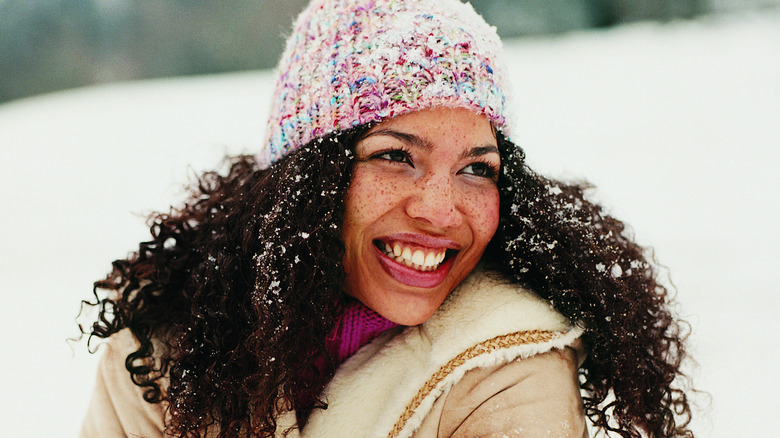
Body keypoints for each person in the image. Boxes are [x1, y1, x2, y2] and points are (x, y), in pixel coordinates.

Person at [78, 0, 694, 437]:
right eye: (395, 156)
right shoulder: (166, 346)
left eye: (477, 168)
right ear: (305, 181)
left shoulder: (509, 363)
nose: (439, 209)